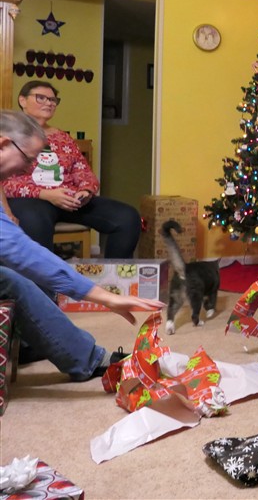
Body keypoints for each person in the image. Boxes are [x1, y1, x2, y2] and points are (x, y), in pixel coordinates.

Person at [0, 109, 164, 381]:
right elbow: (19, 250)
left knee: (10, 279)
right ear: (4, 144)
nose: (29, 169)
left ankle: (84, 357)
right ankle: (83, 357)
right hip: (36, 206)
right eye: (28, 159)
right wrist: (106, 297)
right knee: (11, 277)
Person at [2, 81, 141, 258]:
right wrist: (45, 194)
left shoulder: (63, 137)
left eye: (53, 100)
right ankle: (45, 275)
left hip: (68, 199)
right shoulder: (10, 134)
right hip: (30, 201)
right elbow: (4, 182)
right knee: (33, 219)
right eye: (41, 98)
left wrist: (85, 191)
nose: (49, 103)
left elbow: (83, 171)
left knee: (127, 217)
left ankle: (115, 273)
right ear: (22, 100)